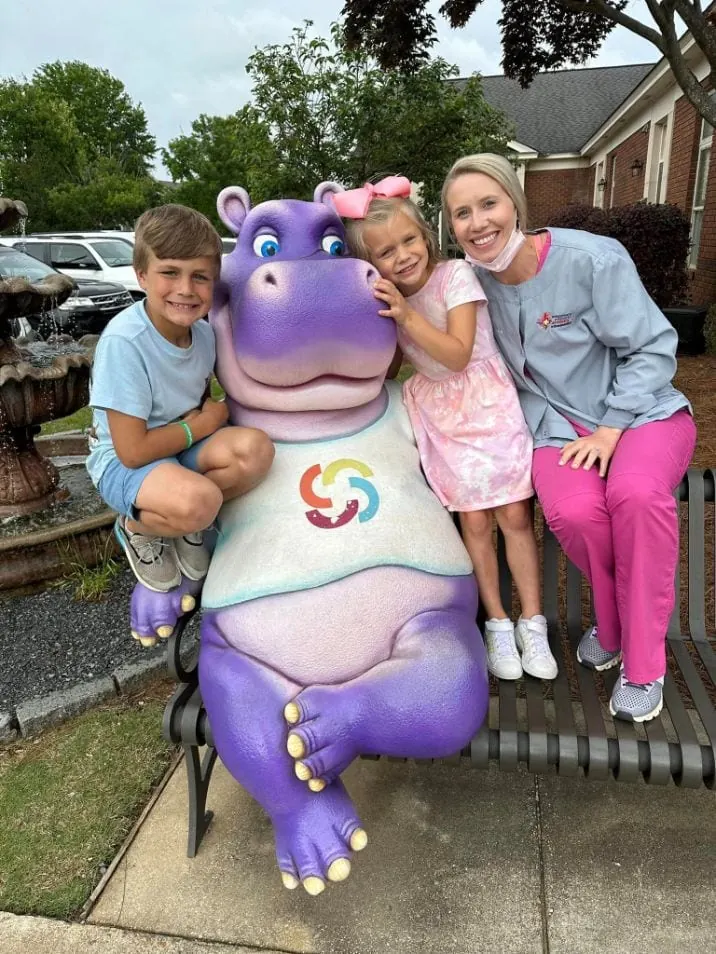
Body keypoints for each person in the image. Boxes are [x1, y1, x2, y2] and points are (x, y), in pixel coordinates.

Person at [442, 153, 697, 722]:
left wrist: (611, 430)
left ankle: (643, 661)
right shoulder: (470, 285)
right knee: (575, 515)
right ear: (451, 227)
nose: (479, 222)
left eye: (489, 204)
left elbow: (653, 349)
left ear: (516, 203)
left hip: (642, 415)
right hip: (554, 429)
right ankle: (611, 626)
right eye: (462, 213)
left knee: (634, 496)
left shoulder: (592, 259)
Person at [334, 176, 558, 681]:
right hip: (442, 417)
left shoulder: (456, 275)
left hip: (486, 403)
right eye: (387, 252)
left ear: (426, 235)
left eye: (409, 240)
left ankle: (533, 623)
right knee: (474, 523)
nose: (404, 255)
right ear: (372, 264)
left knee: (514, 515)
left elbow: (457, 355)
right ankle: (497, 625)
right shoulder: (387, 303)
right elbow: (388, 366)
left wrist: (406, 316)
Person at [86, 204, 274, 598]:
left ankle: (183, 518)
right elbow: (133, 451)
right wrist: (203, 426)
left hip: (178, 446)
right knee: (201, 502)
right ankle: (138, 527)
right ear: (141, 275)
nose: (186, 289)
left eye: (200, 277)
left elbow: (201, 397)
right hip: (124, 463)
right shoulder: (126, 342)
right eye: (169, 272)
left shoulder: (203, 335)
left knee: (256, 451)